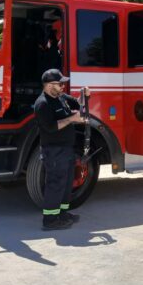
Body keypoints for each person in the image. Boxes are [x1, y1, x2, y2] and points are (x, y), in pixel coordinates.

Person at [34, 69, 90, 230]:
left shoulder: (61, 97)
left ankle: (63, 214)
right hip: (53, 151)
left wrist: (85, 96)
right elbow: (51, 127)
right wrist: (72, 118)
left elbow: (78, 103)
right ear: (50, 85)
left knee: (66, 184)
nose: (62, 86)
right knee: (55, 184)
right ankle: (50, 220)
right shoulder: (42, 104)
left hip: (66, 149)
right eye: (60, 84)